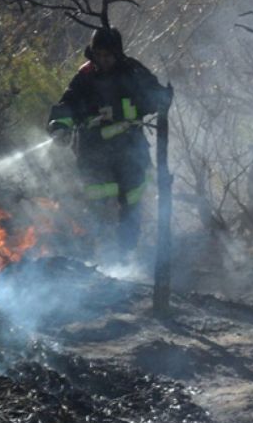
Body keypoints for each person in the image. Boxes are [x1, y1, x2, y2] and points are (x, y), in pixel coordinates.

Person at [47, 27, 171, 260]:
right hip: (94, 152)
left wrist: (120, 110)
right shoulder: (84, 76)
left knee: (131, 201)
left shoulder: (133, 71)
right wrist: (59, 125)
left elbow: (156, 98)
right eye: (98, 54)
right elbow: (68, 103)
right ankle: (99, 258)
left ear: (117, 53)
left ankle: (127, 254)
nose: (102, 60)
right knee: (96, 205)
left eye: (107, 55)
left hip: (129, 149)